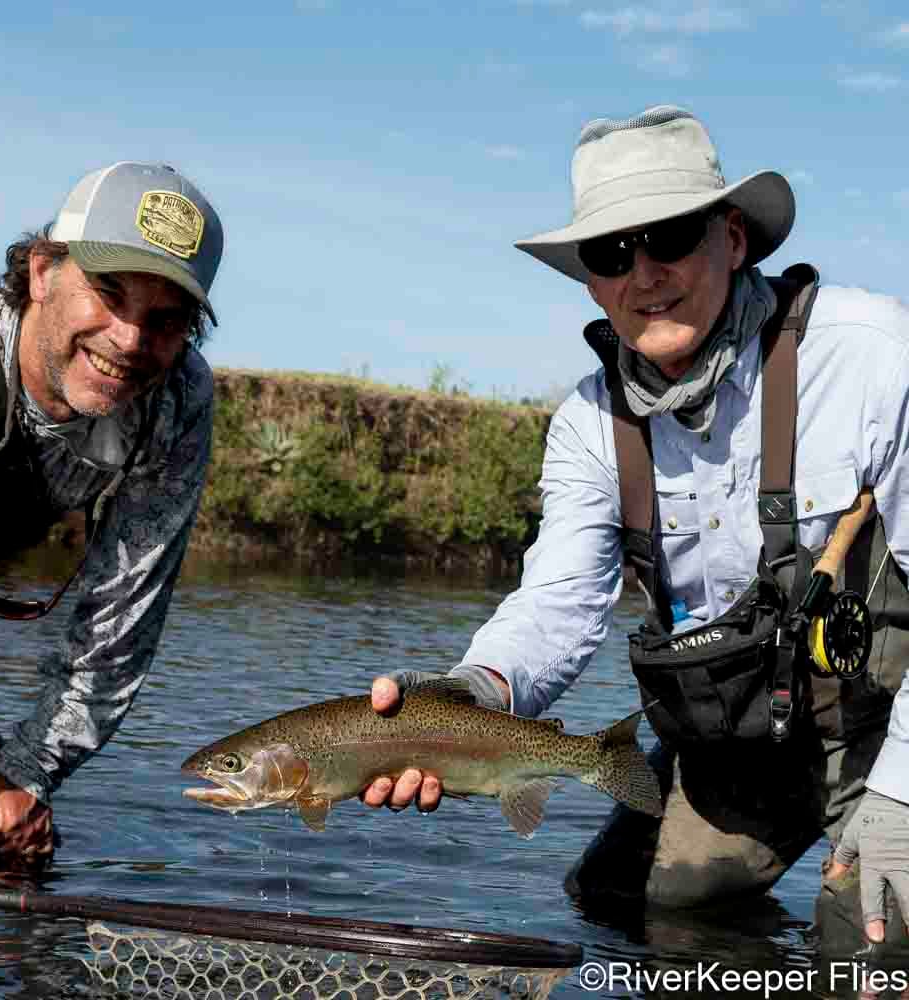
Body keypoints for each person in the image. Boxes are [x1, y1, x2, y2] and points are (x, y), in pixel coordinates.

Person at [364, 106, 909, 947]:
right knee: (620, 903)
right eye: (612, 253)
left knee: (868, 941)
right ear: (588, 279)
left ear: (732, 237)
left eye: (670, 237)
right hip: (741, 742)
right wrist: (464, 700)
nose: (644, 273)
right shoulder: (587, 425)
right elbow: (558, 606)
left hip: (891, 728)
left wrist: (901, 797)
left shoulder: (873, 357)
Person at [0, 161, 223, 864]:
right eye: (108, 294)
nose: (131, 341)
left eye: (166, 320)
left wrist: (24, 774)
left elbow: (116, 630)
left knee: (4, 845)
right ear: (44, 270)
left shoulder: (173, 405)